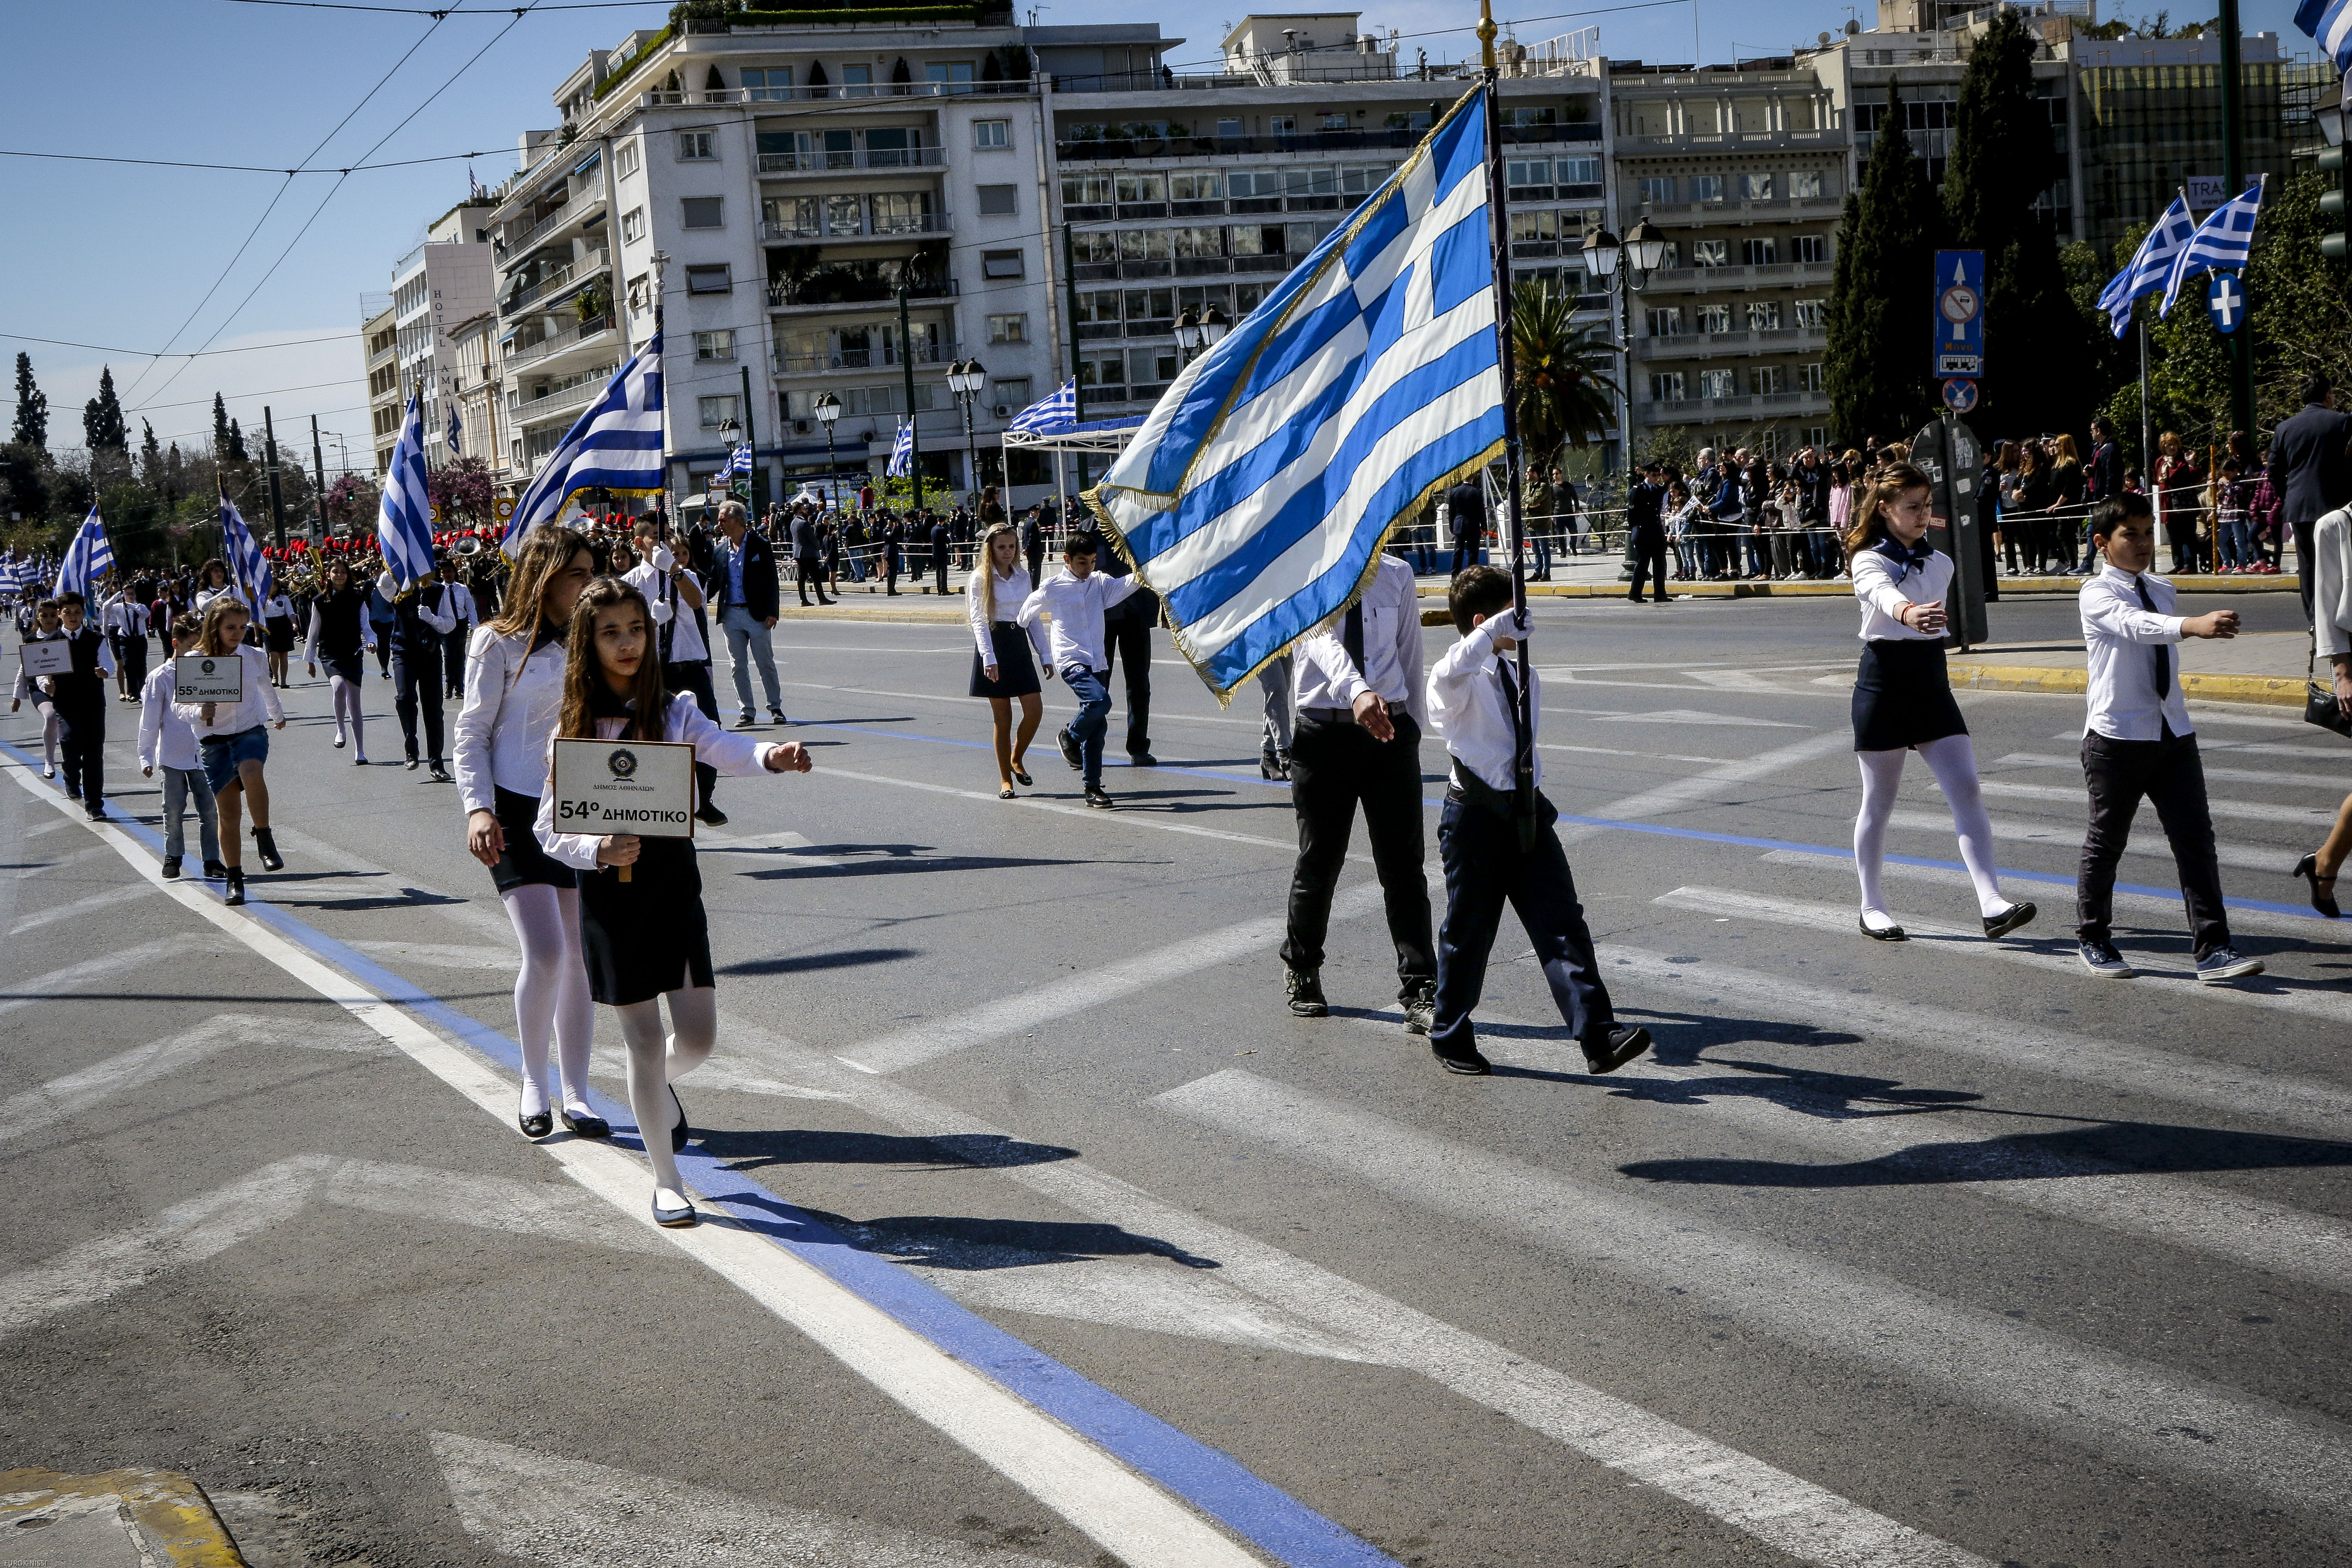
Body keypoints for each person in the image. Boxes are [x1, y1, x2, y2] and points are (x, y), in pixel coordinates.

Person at [533, 577, 813, 1227]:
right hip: (609, 890)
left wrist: (775, 754)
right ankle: (667, 1181)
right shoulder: (569, 730)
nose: (627, 642)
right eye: (611, 632)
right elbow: (549, 829)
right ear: (588, 642)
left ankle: (658, 1088)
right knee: (641, 1042)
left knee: (698, 1037)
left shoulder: (675, 709)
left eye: (636, 628)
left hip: (673, 883)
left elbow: (728, 750)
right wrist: (596, 848)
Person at [1421, 565, 1652, 1077]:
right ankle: (1449, 1033)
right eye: (1512, 610)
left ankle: (1597, 1035)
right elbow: (1450, 670)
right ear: (1484, 620)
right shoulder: (1455, 681)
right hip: (1475, 820)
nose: (1524, 618)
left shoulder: (1523, 672)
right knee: (1469, 931)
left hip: (1526, 813)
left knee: (1562, 924)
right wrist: (1486, 632)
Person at [2071, 493, 2262, 981]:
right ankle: (2093, 937)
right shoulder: (2095, 593)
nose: (2140, 543)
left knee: (2195, 840)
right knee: (2107, 839)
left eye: (2145, 531)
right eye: (2128, 534)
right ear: (2103, 543)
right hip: (2117, 736)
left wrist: (2187, 623)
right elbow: (2136, 627)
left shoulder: (2161, 586)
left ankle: (2214, 947)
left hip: (2172, 731)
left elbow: (2153, 622)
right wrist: (2192, 626)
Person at [1843, 462, 2037, 943]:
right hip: (1883, 680)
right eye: (1912, 507)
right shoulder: (1868, 559)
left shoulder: (1941, 563)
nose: (1922, 514)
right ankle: (1871, 906)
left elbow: (1929, 614)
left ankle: (1992, 903)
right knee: (1879, 800)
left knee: (1966, 787)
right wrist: (1909, 612)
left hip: (1929, 680)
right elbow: (1881, 594)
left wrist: (1922, 620)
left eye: (1927, 505)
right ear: (1885, 508)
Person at [456, 525, 606, 1139]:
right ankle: (533, 1083)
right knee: (544, 953)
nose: (588, 585)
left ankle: (577, 1092)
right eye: (578, 575)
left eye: (592, 573)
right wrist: (477, 808)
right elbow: (472, 732)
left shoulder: (591, 639)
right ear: (544, 577)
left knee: (578, 958)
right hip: (514, 812)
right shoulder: (495, 642)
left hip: (577, 808)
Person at [1278, 547, 1436, 1031]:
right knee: (1320, 859)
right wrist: (1357, 690)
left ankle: (1420, 984)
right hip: (1324, 734)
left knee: (1404, 866)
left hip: (1389, 735)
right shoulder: (1309, 568)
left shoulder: (1397, 573)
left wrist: (1413, 726)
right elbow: (1318, 639)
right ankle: (1302, 967)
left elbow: (1410, 653)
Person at [175, 596, 287, 906]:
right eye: (230, 627)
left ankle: (264, 835)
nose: (237, 633)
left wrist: (277, 715)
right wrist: (199, 710)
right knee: (228, 813)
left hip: (249, 731)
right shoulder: (196, 659)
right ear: (215, 626)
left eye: (242, 627)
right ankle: (235, 878)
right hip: (214, 740)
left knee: (252, 771)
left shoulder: (254, 656)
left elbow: (266, 687)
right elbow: (179, 706)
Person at [1017, 532, 1138, 809]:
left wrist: (1145, 572)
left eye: (1093, 561)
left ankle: (1092, 787)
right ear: (1067, 559)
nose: (1088, 568)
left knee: (1098, 725)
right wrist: (1039, 641)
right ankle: (1069, 735)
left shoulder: (1099, 582)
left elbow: (1125, 585)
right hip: (1071, 660)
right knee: (1099, 701)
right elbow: (1025, 616)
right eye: (1082, 562)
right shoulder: (1053, 586)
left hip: (1098, 660)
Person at [622, 516, 726, 826]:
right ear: (639, 543)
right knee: (658, 740)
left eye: (667, 535)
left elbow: (696, 602)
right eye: (655, 536)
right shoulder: (630, 583)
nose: (663, 542)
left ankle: (703, 799)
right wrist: (652, 622)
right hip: (653, 671)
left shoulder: (687, 574)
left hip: (690, 667)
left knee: (709, 731)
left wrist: (674, 570)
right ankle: (661, 807)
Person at [2295, 501, 2352, 917]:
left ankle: (2325, 863)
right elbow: (2326, 603)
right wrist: (2343, 673)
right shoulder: (2335, 525)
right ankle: (2325, 863)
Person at [140, 611, 223, 882]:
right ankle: (173, 856)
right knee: (173, 809)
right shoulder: (160, 677)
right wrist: (146, 755)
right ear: (176, 644)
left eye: (200, 647)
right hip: (173, 755)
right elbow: (150, 720)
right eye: (191, 647)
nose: (196, 654)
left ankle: (212, 860)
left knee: (210, 810)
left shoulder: (209, 671)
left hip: (205, 752)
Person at [967, 521, 1041, 798]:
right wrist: (988, 656)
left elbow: (1030, 616)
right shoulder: (980, 578)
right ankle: (1005, 780)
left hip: (1018, 643)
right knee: (1003, 719)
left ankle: (1017, 757)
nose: (1008, 552)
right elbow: (979, 619)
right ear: (990, 549)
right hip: (994, 644)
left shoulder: (1023, 577)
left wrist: (1044, 654)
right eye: (1001, 547)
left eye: (1012, 546)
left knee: (1034, 710)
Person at [2268, 373, 2352, 619]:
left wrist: (2290, 496)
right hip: (2337, 506)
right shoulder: (2343, 422)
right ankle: (2339, 618)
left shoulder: (2284, 428)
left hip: (2300, 507)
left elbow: (2274, 473)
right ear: (2328, 396)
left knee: (2308, 566)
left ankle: (2314, 620)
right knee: (2340, 564)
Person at [709, 499, 785, 727]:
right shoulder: (720, 550)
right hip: (731, 615)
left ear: (738, 520)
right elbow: (714, 581)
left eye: (723, 519)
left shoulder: (760, 545)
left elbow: (772, 580)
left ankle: (775, 707)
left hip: (757, 614)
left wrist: (773, 611)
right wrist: (696, 598)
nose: (719, 524)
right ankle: (747, 712)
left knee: (765, 663)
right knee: (738, 666)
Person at [42, 591, 114, 821]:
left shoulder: (96, 639)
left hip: (93, 703)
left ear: (84, 614)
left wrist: (105, 672)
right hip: (66, 703)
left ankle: (95, 805)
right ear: (61, 615)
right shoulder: (51, 642)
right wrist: (47, 685)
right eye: (68, 612)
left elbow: (108, 665)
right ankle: (71, 776)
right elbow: (43, 674)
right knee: (70, 742)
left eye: (77, 612)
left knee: (94, 753)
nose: (73, 617)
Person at [1094, 529, 1159, 767]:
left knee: (1139, 684)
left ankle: (1139, 747)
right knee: (1099, 684)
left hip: (1137, 612)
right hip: (1101, 617)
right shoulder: (1091, 527)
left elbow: (1159, 562)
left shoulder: (1141, 523)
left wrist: (1163, 603)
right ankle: (1091, 746)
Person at [384, 566, 456, 780]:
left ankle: (436, 762)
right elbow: (382, 586)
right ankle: (411, 747)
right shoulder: (397, 588)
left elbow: (450, 624)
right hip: (403, 652)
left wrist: (432, 618)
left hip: (430, 654)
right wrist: (392, 565)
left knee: (433, 708)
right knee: (405, 697)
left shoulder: (438, 590)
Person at [305, 558, 376, 763]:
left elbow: (367, 627)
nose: (339, 575)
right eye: (335, 572)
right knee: (339, 688)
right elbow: (313, 631)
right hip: (330, 653)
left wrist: (372, 642)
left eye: (343, 572)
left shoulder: (358, 599)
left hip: (353, 653)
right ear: (329, 575)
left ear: (348, 575)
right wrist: (310, 659)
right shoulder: (320, 601)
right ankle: (340, 728)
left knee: (355, 703)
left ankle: (360, 751)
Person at [10, 596, 64, 779]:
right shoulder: (31, 639)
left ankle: (70, 760)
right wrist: (17, 695)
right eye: (44, 615)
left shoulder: (65, 636)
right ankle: (49, 760)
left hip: (65, 688)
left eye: (52, 615)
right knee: (51, 717)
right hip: (39, 690)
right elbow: (24, 668)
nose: (49, 619)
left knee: (69, 725)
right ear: (38, 617)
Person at [1625, 463, 1669, 603]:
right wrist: (1634, 528)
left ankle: (1660, 594)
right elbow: (1631, 512)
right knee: (1643, 563)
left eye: (1658, 475)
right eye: (1654, 475)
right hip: (1642, 531)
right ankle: (1635, 593)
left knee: (1660, 563)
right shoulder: (1638, 490)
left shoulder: (1658, 489)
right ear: (1647, 475)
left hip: (1656, 531)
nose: (1657, 478)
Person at [104, 582, 151, 702]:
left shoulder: (140, 607)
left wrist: (132, 606)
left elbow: (146, 614)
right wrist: (116, 597)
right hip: (126, 640)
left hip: (139, 639)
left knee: (141, 666)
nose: (130, 596)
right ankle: (132, 692)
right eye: (128, 594)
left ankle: (142, 692)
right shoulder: (119, 607)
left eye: (132, 594)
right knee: (129, 666)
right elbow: (106, 608)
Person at [438, 557, 476, 699]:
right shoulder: (439, 590)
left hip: (461, 625)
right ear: (441, 574)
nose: (447, 574)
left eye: (449, 571)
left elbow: (471, 608)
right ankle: (449, 686)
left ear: (454, 572)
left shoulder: (463, 589)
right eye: (444, 572)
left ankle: (459, 688)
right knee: (448, 657)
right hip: (446, 626)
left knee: (460, 657)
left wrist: (475, 625)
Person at [1257, 652, 1295, 781]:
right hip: (1258, 639)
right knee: (1277, 689)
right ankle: (1286, 755)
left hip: (1283, 636)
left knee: (1280, 692)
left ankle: (1268, 757)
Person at [791, 505, 833, 606]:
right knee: (816, 577)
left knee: (802, 578)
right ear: (800, 511)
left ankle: (804, 600)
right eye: (804, 509)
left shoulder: (793, 523)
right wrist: (819, 548)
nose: (806, 511)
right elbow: (812, 538)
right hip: (809, 553)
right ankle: (822, 599)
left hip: (799, 553)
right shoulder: (804, 524)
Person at [1445, 478, 1483, 578]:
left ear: (1463, 479)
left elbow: (1451, 511)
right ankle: (1471, 575)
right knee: (1473, 551)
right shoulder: (1477, 492)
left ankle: (1455, 575)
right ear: (1473, 479)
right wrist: (1484, 526)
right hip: (1473, 524)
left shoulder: (1454, 491)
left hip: (1459, 524)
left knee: (1458, 551)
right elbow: (1481, 511)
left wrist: (1451, 526)